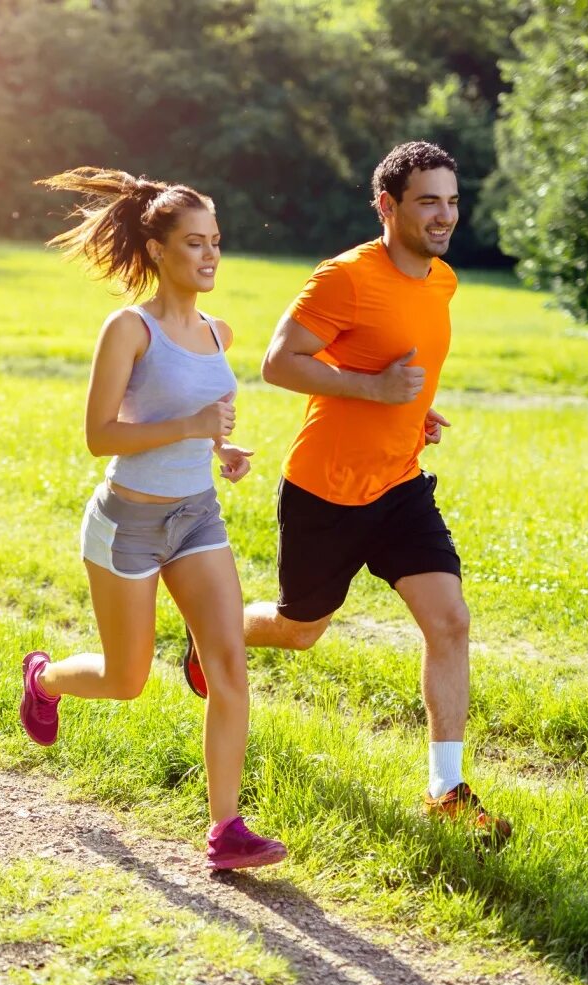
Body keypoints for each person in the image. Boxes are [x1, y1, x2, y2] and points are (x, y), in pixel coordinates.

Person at [180, 141, 511, 842]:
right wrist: (375, 391)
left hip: (398, 486)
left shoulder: (443, 282)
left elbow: (393, 366)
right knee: (301, 631)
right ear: (387, 206)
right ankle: (211, 635)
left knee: (449, 621)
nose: (444, 215)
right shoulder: (345, 277)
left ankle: (445, 789)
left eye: (452, 200)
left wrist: (410, 413)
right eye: (428, 201)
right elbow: (278, 363)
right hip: (324, 490)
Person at [19, 167, 287, 871]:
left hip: (197, 518)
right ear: (159, 250)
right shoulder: (128, 329)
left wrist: (223, 449)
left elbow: (208, 417)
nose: (210, 256)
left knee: (229, 665)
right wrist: (190, 426)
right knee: (125, 678)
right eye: (194, 242)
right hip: (127, 523)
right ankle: (43, 680)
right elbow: (101, 436)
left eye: (217, 242)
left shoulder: (217, 333)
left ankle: (226, 828)